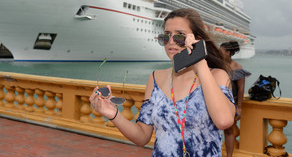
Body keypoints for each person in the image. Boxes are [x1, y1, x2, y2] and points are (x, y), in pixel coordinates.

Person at [90, 8, 235, 157]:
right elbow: (142, 137)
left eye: (179, 36)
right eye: (166, 37)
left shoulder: (217, 76)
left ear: (197, 38)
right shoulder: (156, 78)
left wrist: (200, 61)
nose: (171, 42)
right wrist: (113, 114)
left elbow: (223, 121)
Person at [220, 41, 251, 157]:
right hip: (217, 102)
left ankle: (229, 155)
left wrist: (239, 108)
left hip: (231, 104)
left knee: (229, 131)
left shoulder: (237, 67)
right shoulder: (218, 65)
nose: (218, 53)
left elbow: (241, 89)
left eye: (221, 51)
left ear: (228, 53)